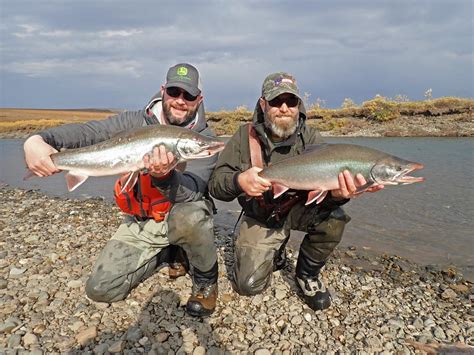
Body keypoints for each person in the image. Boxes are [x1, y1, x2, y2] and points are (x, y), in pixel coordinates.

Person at [23, 63, 219, 317]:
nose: (180, 101)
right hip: (144, 220)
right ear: (163, 91)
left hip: (182, 217)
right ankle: (165, 253)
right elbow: (90, 132)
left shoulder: (203, 140)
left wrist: (164, 175)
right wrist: (38, 140)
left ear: (199, 100)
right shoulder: (134, 121)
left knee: (192, 213)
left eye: (189, 96)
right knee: (100, 289)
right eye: (174, 92)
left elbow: (192, 191)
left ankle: (205, 280)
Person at [208, 72, 383, 311]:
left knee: (336, 218)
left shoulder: (311, 138)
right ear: (263, 104)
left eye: (291, 102)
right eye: (276, 102)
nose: (284, 108)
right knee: (248, 286)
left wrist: (338, 196)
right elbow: (216, 185)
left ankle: (307, 275)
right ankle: (276, 250)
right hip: (261, 215)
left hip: (301, 210)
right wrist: (239, 181)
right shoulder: (243, 136)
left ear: (298, 105)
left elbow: (325, 199)